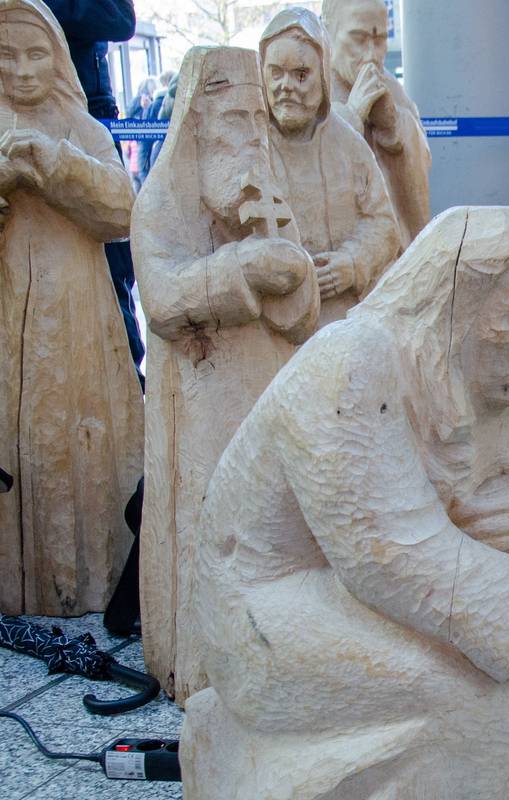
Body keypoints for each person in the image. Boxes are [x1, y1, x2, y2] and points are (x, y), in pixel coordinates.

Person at [182, 207, 509, 799]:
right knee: (472, 695)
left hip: (376, 597)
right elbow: (384, 551)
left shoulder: (508, 379)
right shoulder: (351, 360)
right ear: (456, 310)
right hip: (264, 610)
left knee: (486, 680)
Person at [135, 46, 320, 700]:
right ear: (198, 119)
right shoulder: (162, 199)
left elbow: (303, 313)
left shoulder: (269, 192)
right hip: (207, 401)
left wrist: (293, 278)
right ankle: (208, 669)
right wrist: (242, 272)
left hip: (272, 391)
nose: (248, 133)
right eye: (231, 117)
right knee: (216, 530)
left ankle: (279, 652)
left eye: (254, 117)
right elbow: (160, 297)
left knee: (275, 526)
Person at [0, 0, 142, 615]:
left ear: (58, 59)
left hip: (79, 318)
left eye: (36, 55)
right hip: (8, 319)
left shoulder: (86, 131)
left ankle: (91, 577)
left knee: (79, 438)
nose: (23, 71)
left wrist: (57, 168)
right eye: (7, 56)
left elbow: (120, 211)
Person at [259, 8, 398, 328]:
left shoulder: (348, 145)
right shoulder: (250, 149)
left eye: (301, 74)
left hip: (341, 320)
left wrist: (353, 263)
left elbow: (383, 224)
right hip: (273, 325)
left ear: (322, 77)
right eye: (276, 73)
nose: (286, 86)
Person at [45, 0, 144, 374]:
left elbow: (120, 18)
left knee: (112, 261)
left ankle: (127, 379)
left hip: (89, 115)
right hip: (29, 118)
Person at [322, 0, 431, 247]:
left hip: (393, 249)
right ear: (328, 32)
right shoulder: (313, 88)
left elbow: (423, 158)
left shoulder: (392, 88)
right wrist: (352, 115)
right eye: (358, 39)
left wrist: (395, 128)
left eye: (380, 40)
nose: (371, 55)